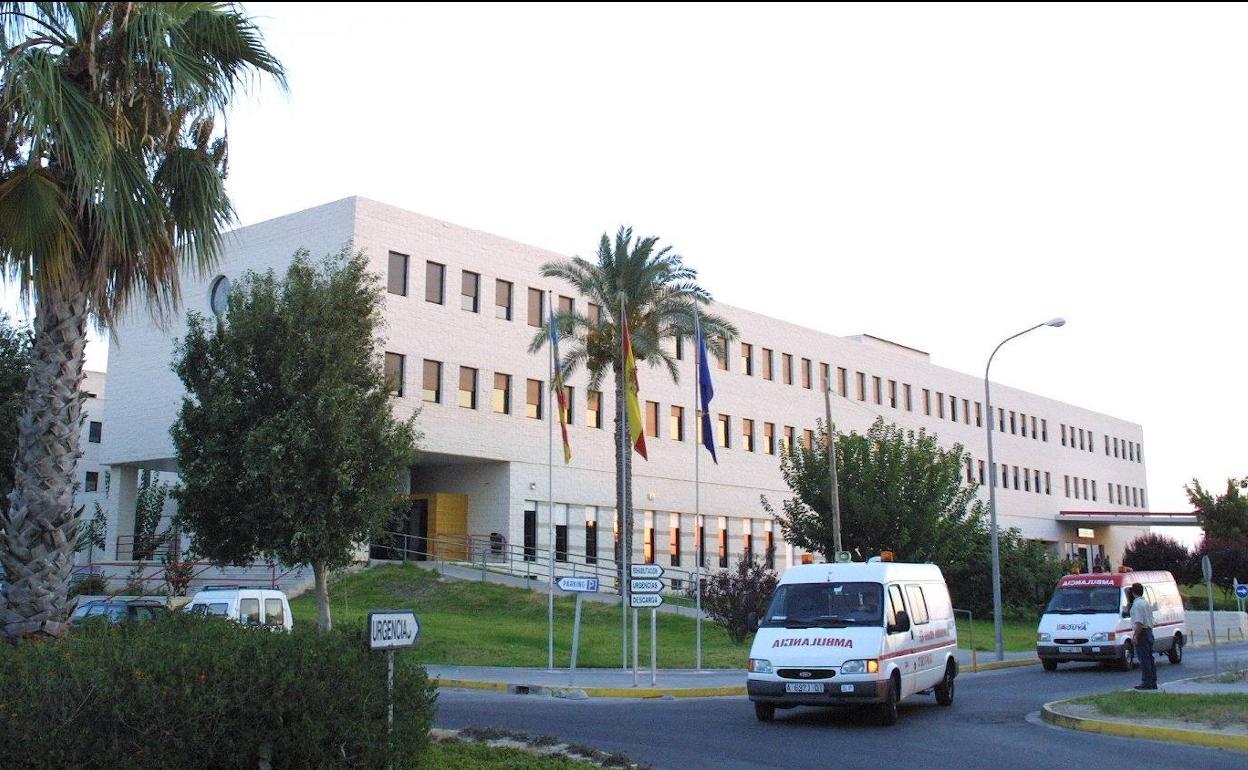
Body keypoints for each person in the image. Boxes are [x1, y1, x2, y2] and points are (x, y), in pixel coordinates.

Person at [1129, 583, 1157, 690]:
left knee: (1144, 659)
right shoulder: (1145, 603)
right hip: (1149, 631)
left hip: (1143, 634)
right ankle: (1152, 681)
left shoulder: (1137, 605)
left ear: (1133, 592)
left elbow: (1139, 623)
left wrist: (1135, 636)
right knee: (1150, 658)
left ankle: (1146, 682)